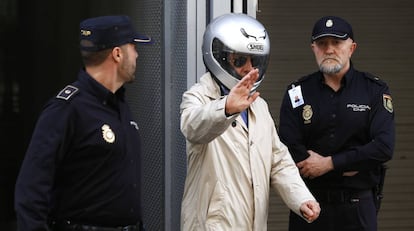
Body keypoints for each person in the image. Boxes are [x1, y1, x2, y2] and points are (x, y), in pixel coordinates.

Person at [179, 13, 320, 231]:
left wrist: (301, 198)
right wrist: (225, 108)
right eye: (239, 60)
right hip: (214, 225)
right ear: (220, 57)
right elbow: (193, 127)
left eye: (254, 61)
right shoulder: (199, 96)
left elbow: (278, 159)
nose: (249, 68)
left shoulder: (258, 105)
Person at [14, 15, 152, 231]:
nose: (136, 54)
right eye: (133, 46)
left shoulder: (120, 105)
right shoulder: (67, 109)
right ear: (117, 54)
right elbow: (30, 192)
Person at [278, 16, 395, 231]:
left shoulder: (374, 90)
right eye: (322, 44)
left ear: (352, 48)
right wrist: (353, 163)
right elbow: (286, 148)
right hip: (309, 206)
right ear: (314, 48)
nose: (329, 49)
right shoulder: (298, 92)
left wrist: (329, 164)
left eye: (337, 43)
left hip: (358, 208)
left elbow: (383, 147)